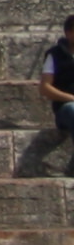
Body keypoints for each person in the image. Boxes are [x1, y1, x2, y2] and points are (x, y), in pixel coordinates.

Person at [30, 14, 74, 174]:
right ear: (69, 33)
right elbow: (45, 88)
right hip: (66, 109)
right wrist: (71, 98)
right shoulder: (55, 55)